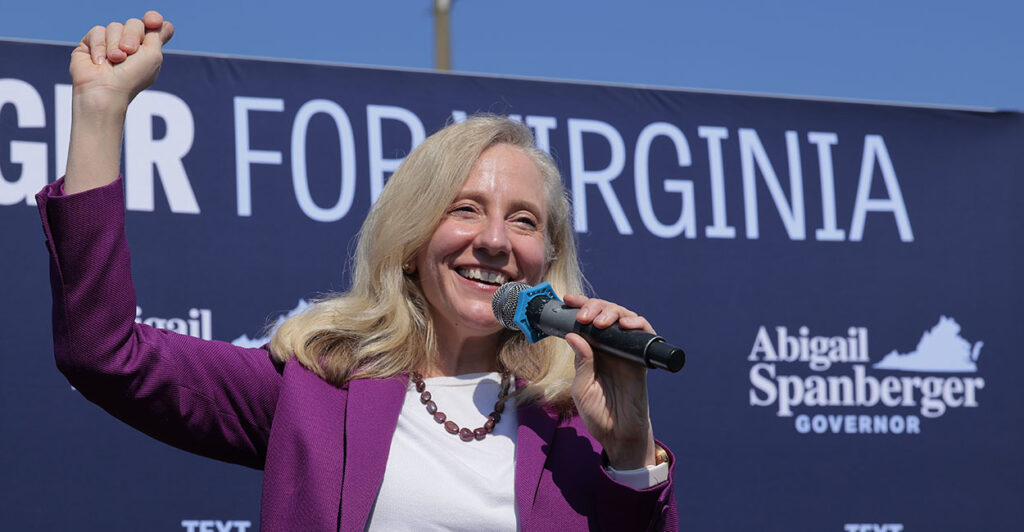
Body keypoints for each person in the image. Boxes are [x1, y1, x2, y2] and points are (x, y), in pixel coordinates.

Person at [39, 11, 678, 531]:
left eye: (523, 220)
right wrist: (100, 111)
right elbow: (105, 354)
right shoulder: (317, 393)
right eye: (464, 210)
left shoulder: (575, 421)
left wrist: (628, 454)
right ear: (410, 241)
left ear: (548, 257)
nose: (493, 241)